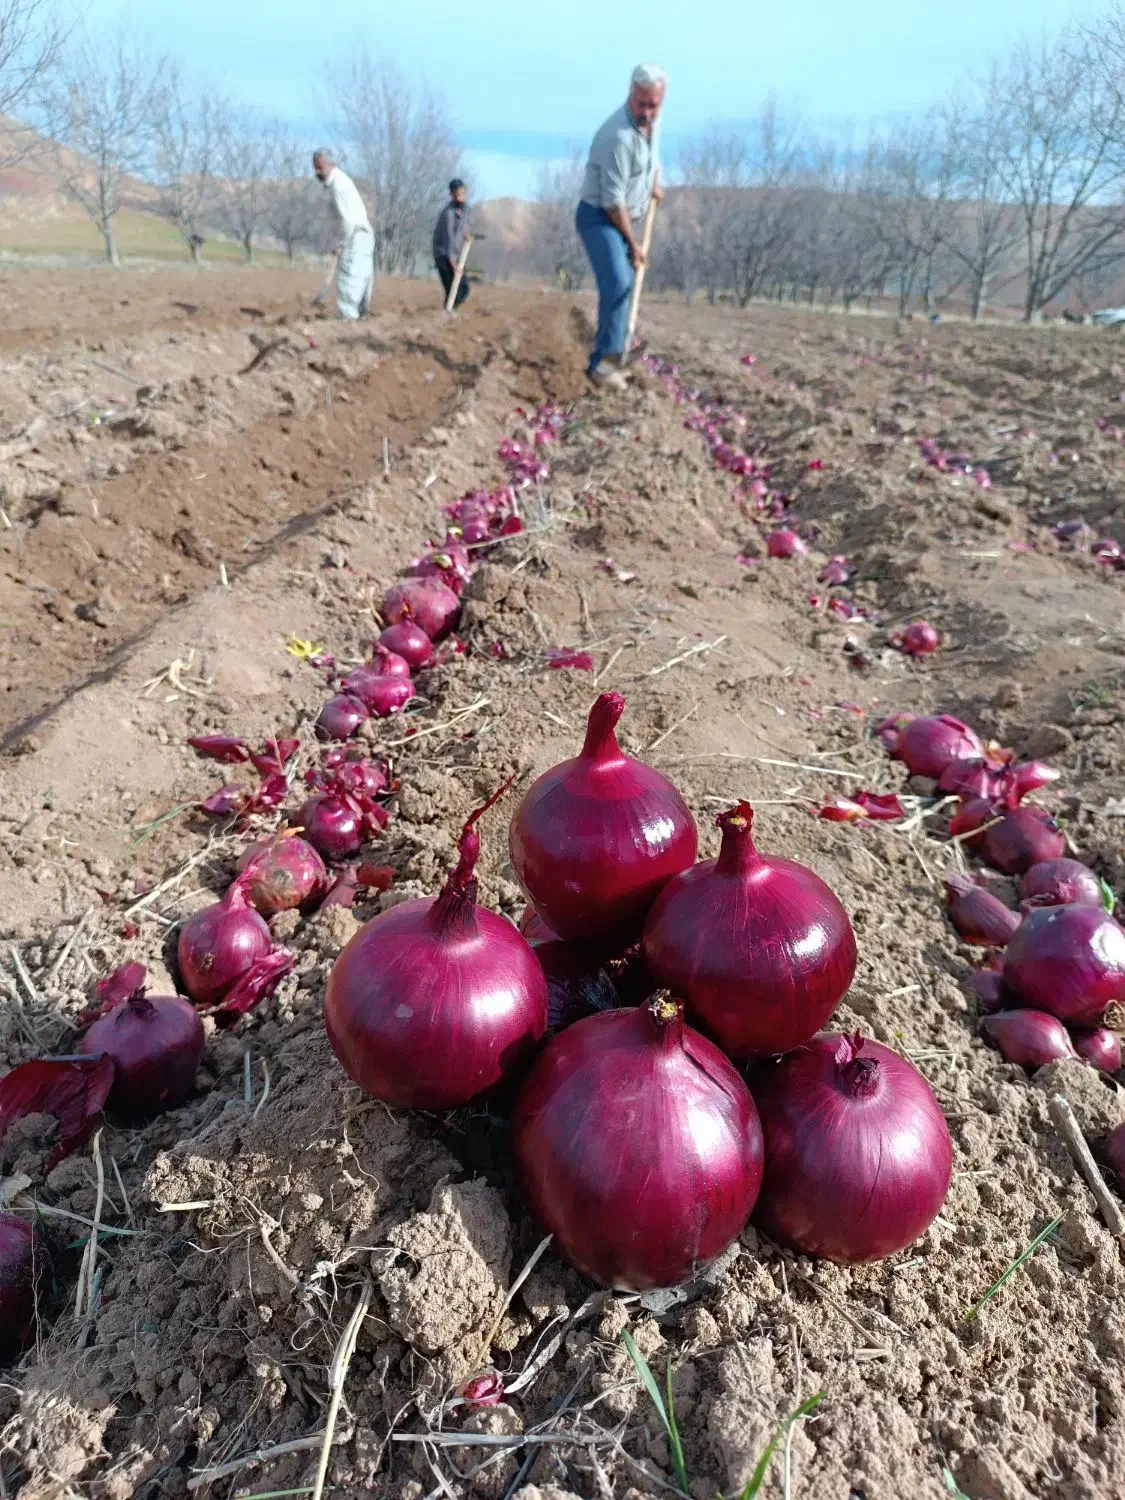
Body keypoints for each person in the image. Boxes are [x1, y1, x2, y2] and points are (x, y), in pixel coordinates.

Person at [575, 64, 666, 391]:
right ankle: (604, 363)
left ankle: (614, 352)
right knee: (617, 279)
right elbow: (613, 202)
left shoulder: (651, 125)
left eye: (653, 105)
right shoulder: (618, 137)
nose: (647, 112)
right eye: (641, 104)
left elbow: (652, 161)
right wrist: (633, 244)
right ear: (630, 94)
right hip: (599, 215)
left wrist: (655, 184)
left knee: (625, 282)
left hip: (621, 215)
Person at [312, 149, 375, 320]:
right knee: (361, 278)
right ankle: (360, 316)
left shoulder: (338, 185)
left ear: (332, 165)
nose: (317, 172)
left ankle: (349, 320)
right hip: (362, 235)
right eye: (315, 168)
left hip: (355, 235)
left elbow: (347, 221)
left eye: (320, 168)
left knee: (349, 280)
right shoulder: (340, 181)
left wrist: (340, 243)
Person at [433, 179, 472, 309]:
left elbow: (464, 224)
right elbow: (449, 238)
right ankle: (448, 313)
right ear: (451, 195)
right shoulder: (448, 214)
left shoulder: (466, 208)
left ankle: (449, 312)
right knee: (452, 289)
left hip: (456, 254)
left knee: (464, 287)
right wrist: (453, 263)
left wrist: (466, 233)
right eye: (456, 195)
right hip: (443, 255)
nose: (460, 198)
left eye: (462, 194)